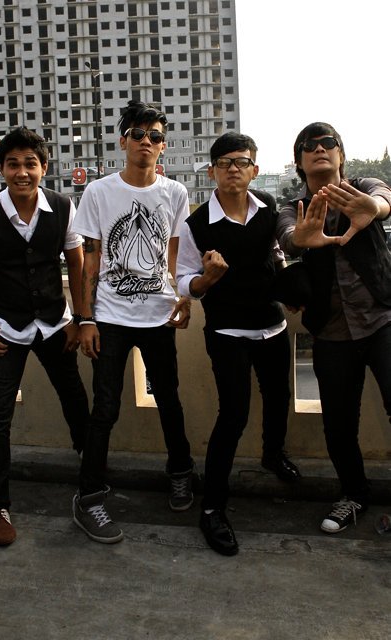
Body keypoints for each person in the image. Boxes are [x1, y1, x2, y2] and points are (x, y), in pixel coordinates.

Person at [72, 100, 193, 544]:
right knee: (105, 407)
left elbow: (177, 255)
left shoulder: (175, 193)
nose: (146, 142)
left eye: (154, 136)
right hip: (110, 316)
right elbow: (90, 259)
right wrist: (85, 318)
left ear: (164, 146)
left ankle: (181, 472)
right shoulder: (99, 192)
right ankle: (89, 496)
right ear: (123, 141)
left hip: (159, 314)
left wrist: (183, 296)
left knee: (170, 399)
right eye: (138, 134)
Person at [0, 127, 90, 546]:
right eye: (13, 164)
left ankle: (92, 481)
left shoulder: (63, 206)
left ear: (44, 167)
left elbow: (77, 264)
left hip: (55, 322)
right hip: (4, 326)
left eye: (30, 163)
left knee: (75, 399)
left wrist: (80, 318)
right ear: (1, 169)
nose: (22, 172)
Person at [176, 132, 300, 556]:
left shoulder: (268, 207)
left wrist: (287, 284)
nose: (233, 169)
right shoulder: (197, 224)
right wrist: (206, 280)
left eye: (241, 162)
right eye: (225, 162)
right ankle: (212, 507)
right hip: (227, 331)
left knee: (279, 397)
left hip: (271, 324)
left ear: (254, 169)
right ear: (211, 171)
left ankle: (272, 454)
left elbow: (278, 253)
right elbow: (184, 281)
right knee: (233, 415)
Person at [276, 122, 391, 534]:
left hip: (382, 320)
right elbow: (288, 235)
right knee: (339, 424)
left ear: (341, 154)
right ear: (299, 161)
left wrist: (372, 208)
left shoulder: (363, 187)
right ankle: (354, 495)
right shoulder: (293, 207)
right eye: (309, 145)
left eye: (329, 143)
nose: (319, 149)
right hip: (331, 332)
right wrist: (301, 237)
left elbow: (383, 197)